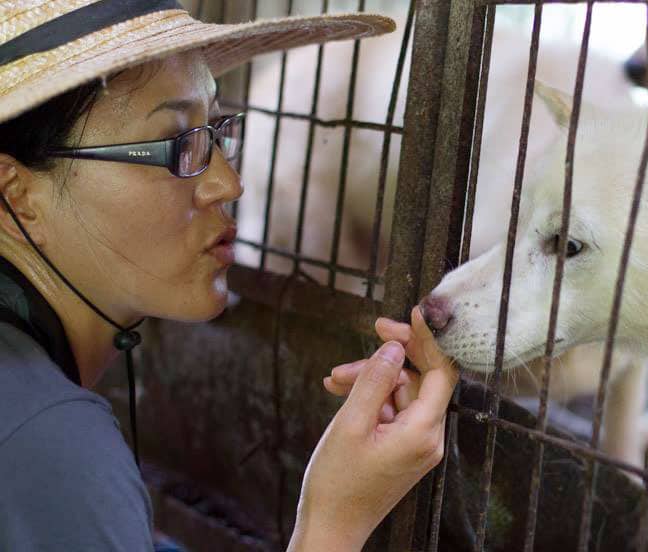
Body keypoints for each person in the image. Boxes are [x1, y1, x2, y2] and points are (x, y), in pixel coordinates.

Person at [0, 2, 458, 551]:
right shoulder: (53, 445)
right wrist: (332, 522)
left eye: (216, 131)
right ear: (18, 194)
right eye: (176, 146)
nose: (228, 183)